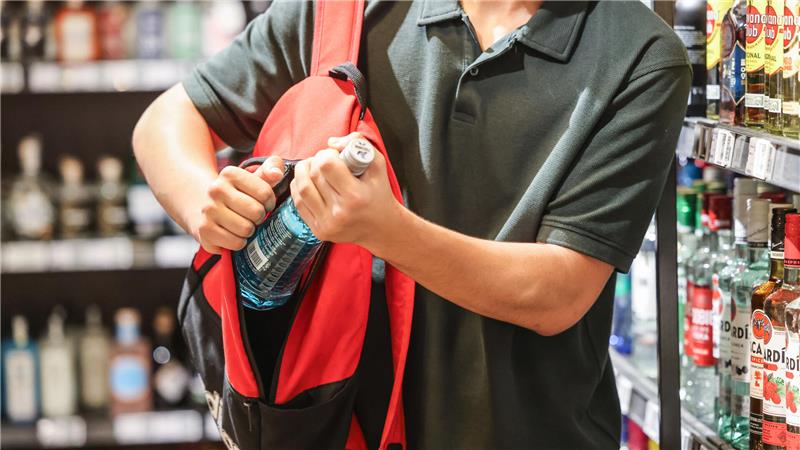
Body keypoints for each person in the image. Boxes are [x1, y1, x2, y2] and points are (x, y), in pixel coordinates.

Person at [132, 1, 691, 448]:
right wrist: (205, 200)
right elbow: (167, 119)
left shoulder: (639, 55)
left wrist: (386, 230)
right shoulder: (344, 11)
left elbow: (557, 292)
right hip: (336, 422)